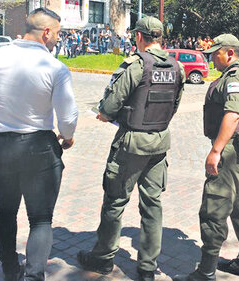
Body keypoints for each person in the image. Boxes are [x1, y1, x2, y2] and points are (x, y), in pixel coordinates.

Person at [77, 16, 185, 281]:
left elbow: (111, 105)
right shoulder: (177, 66)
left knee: (115, 201)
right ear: (160, 38)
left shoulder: (136, 65)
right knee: (152, 205)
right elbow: (174, 106)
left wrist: (103, 114)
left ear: (139, 37)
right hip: (159, 142)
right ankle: (148, 267)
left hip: (131, 143)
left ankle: (102, 259)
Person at [0, 8, 78, 281]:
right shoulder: (54, 67)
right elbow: (68, 118)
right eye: (57, 34)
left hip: (1, 144)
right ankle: (34, 276)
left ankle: (10, 269)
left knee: (6, 211)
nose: (58, 39)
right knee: (40, 219)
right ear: (46, 32)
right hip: (38, 146)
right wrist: (68, 136)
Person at [173, 34, 239, 281]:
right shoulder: (238, 74)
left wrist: (216, 150)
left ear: (230, 53)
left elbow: (233, 113)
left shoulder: (236, 77)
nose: (212, 59)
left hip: (231, 152)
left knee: (214, 206)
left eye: (216, 54)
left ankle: (206, 272)